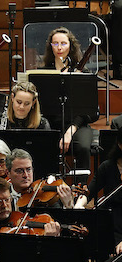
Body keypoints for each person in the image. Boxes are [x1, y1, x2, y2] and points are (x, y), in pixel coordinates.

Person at [40, 27, 98, 176]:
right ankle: (48, 187)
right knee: (42, 144)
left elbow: (88, 111)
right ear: (50, 46)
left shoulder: (82, 73)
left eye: (64, 43)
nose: (59, 47)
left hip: (77, 124)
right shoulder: (44, 73)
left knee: (83, 147)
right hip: (52, 123)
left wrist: (71, 130)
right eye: (55, 44)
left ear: (70, 46)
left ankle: (81, 189)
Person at [75, 127, 122, 240]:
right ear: (120, 145)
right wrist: (78, 206)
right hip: (111, 225)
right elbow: (88, 192)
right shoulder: (108, 167)